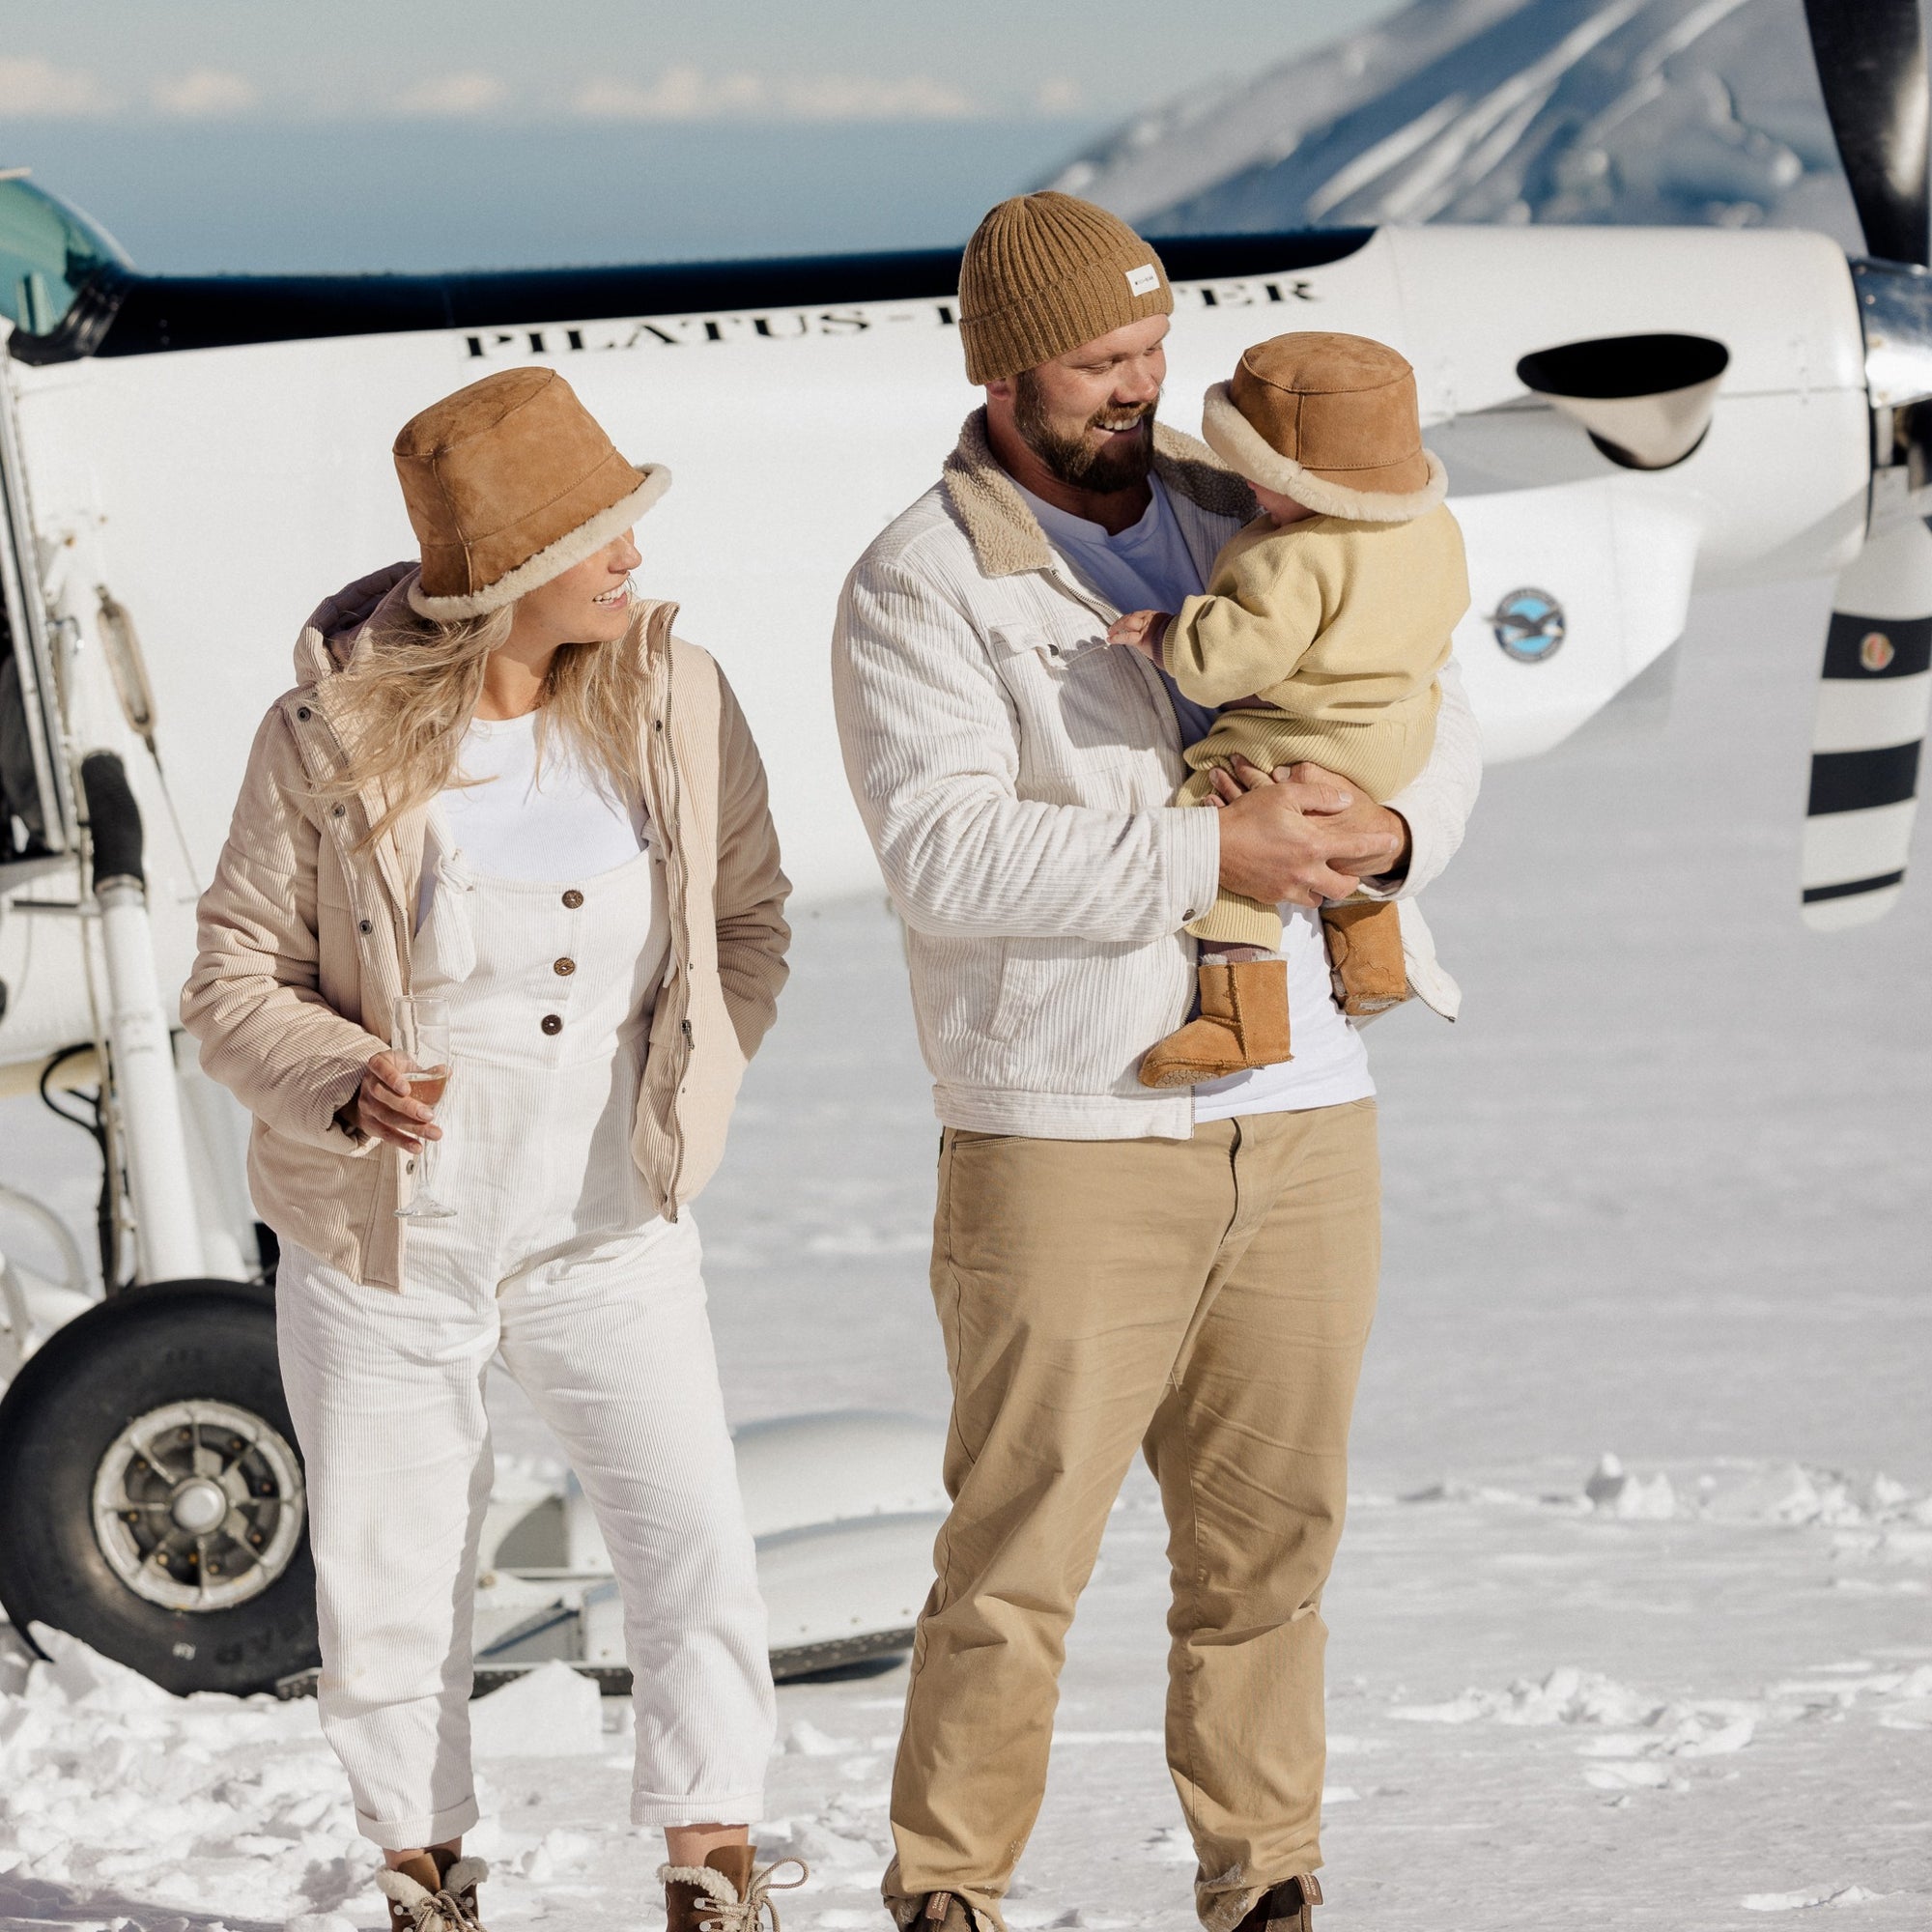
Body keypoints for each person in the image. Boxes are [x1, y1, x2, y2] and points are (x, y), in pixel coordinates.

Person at [830, 193, 1480, 1932]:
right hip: (1067, 1133)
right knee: (1018, 1558)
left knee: (1274, 1552)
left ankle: (1265, 1878)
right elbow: (949, 861)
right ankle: (950, 1890)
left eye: (1153, 346)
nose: (1142, 383)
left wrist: (1397, 834)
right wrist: (1214, 864)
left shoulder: (1247, 503)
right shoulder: (922, 579)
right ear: (1002, 364)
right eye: (1102, 358)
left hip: (1308, 1116)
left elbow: (1426, 699)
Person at [183, 369, 793, 1932]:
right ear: (514, 571)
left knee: (694, 1542)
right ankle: (422, 1874)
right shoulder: (326, 739)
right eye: (605, 538)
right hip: (388, 1238)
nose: (635, 563)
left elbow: (744, 925)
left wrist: (691, 1081)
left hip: (610, 1230)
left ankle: (711, 1865)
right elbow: (233, 978)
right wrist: (342, 1073)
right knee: (394, 1583)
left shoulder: (676, 699)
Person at [1107, 329, 1469, 1088]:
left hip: (1314, 729)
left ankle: (1243, 1016)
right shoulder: (1429, 525)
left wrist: (1170, 637)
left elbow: (1237, 658)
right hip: (1402, 730)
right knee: (1341, 819)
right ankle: (1372, 961)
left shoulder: (1293, 556)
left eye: (1256, 474)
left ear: (1299, 482)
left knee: (1225, 812)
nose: (1249, 491)